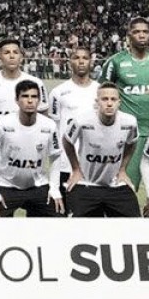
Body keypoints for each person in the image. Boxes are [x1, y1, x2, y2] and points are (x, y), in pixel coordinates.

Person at [100, 17, 149, 188]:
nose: (141, 35)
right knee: (125, 186)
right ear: (128, 35)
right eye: (136, 32)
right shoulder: (115, 62)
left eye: (145, 32)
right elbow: (102, 94)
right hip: (129, 134)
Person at [62, 82, 141, 218]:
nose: (109, 103)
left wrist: (122, 169)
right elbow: (67, 141)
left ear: (119, 102)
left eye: (113, 99)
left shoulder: (130, 122)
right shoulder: (81, 120)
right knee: (75, 227)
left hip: (114, 185)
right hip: (86, 183)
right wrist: (76, 169)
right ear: (97, 102)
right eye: (104, 99)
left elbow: (132, 142)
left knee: (134, 223)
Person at [0, 79, 63, 217]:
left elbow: (56, 156)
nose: (30, 101)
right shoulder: (1, 124)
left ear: (39, 101)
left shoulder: (49, 125)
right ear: (16, 100)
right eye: (25, 96)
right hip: (7, 185)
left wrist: (54, 189)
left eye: (34, 97)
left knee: (58, 216)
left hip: (38, 186)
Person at [48, 45, 98, 198]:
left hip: (94, 161)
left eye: (85, 58)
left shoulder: (100, 90)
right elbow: (53, 128)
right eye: (76, 58)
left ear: (91, 62)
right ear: (70, 62)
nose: (81, 61)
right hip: (66, 162)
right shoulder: (58, 92)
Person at [0, 38, 46, 136]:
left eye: (15, 52)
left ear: (21, 57)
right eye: (7, 52)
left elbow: (43, 114)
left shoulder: (36, 83)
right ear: (0, 57)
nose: (12, 56)